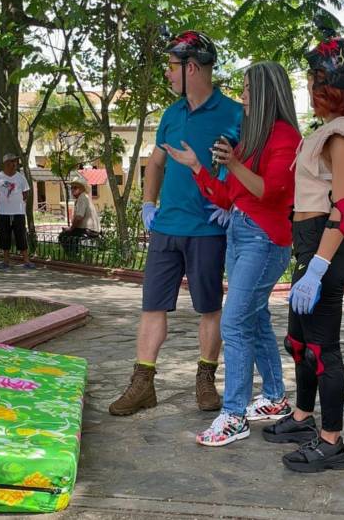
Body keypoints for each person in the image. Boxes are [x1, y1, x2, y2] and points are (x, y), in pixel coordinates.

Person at [164, 61, 302, 446]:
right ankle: (274, 398)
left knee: (234, 323)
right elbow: (229, 195)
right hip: (240, 234)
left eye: (246, 87)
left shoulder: (285, 137)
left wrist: (236, 163)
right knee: (253, 320)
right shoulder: (253, 137)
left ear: (265, 92)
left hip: (265, 240)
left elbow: (269, 191)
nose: (241, 94)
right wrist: (197, 168)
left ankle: (234, 414)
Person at [109, 30, 241, 416]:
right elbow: (157, 162)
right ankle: (142, 383)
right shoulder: (171, 114)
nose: (167, 74)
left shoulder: (234, 114)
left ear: (193, 67)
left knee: (209, 307)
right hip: (166, 228)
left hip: (208, 228)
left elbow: (248, 166)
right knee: (152, 306)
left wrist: (232, 203)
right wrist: (148, 203)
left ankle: (205, 380)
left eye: (172, 66)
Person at [262, 35, 344, 473]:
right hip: (311, 247)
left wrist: (317, 269)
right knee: (299, 343)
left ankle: (331, 444)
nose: (308, 85)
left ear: (329, 83)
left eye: (313, 78)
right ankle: (302, 418)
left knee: (323, 351)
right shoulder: (328, 131)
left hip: (325, 249)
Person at [0, 153, 34, 270]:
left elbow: (25, 193)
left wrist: (18, 202)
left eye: (15, 161)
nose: (14, 164)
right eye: (12, 161)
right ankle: (6, 261)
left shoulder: (20, 177)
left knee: (21, 235)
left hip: (19, 212)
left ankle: (26, 261)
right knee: (4, 236)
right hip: (3, 212)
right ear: (6, 163)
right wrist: (5, 202)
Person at [58, 179, 100, 255]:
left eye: (75, 188)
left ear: (81, 189)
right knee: (70, 235)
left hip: (89, 230)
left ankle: (72, 255)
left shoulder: (82, 197)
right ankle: (75, 254)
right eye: (71, 188)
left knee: (63, 236)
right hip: (88, 229)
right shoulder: (83, 197)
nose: (72, 190)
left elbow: (79, 217)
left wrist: (71, 228)